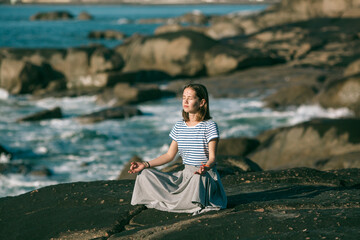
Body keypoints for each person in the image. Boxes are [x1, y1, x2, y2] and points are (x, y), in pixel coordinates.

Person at [128, 83, 227, 215]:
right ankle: (182, 202)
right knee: (145, 174)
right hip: (185, 176)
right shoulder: (179, 126)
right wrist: (145, 164)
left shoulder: (209, 126)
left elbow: (213, 158)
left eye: (190, 98)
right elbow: (169, 155)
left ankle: (183, 203)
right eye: (183, 97)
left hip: (203, 176)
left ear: (202, 102)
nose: (185, 101)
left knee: (198, 179)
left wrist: (206, 167)